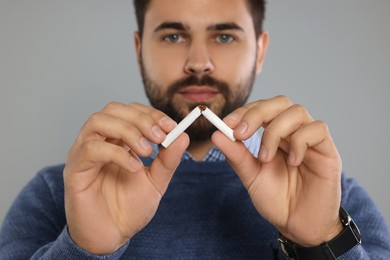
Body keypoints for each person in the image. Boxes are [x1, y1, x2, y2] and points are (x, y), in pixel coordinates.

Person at [1, 0, 390, 259]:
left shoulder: (333, 196)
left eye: (224, 36)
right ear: (139, 51)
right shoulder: (61, 191)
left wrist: (319, 241)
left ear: (260, 50)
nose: (199, 62)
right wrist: (85, 249)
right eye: (173, 35)